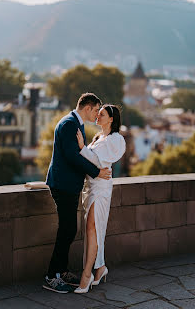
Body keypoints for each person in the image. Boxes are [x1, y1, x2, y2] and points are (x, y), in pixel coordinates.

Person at [43, 93, 111, 294]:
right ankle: (51, 276)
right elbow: (73, 157)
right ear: (88, 107)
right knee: (67, 229)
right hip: (63, 185)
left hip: (68, 185)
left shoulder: (75, 123)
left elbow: (79, 153)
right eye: (96, 110)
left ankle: (61, 272)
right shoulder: (70, 124)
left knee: (69, 229)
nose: (97, 115)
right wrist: (97, 172)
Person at [74, 104, 126, 294]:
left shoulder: (116, 139)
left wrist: (82, 147)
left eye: (102, 114)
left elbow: (97, 161)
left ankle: (86, 275)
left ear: (111, 119)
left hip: (101, 189)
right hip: (90, 187)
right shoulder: (98, 138)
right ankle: (101, 267)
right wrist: (85, 151)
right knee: (94, 231)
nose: (98, 116)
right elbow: (91, 161)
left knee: (92, 228)